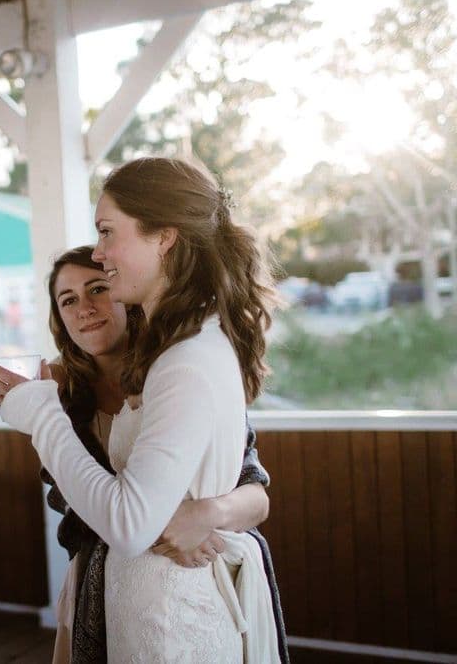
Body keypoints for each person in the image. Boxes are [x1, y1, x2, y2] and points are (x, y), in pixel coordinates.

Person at [0, 157, 281, 661]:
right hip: (129, 605)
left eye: (107, 232)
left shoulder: (183, 362)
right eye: (67, 300)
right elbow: (89, 511)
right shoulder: (169, 357)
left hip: (170, 620)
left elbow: (130, 523)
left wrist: (40, 415)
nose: (101, 253)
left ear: (164, 237)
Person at [37, 246, 287, 663]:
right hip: (96, 588)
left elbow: (256, 497)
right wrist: (156, 528)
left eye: (97, 288)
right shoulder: (59, 399)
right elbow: (76, 505)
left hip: (194, 590)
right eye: (68, 300)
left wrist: (203, 517)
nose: (84, 308)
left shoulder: (180, 373)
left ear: (124, 293)